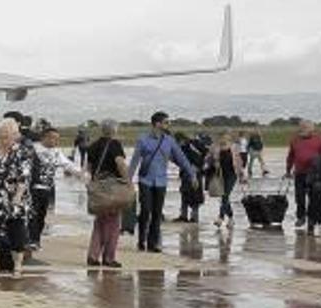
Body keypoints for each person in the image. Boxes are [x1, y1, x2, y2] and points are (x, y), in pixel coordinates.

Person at [127, 111, 196, 253]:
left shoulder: (169, 141)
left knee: (157, 213)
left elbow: (181, 158)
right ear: (157, 124)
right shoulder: (143, 139)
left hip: (161, 181)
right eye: (166, 122)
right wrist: (128, 180)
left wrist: (192, 175)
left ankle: (153, 244)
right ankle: (141, 239)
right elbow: (134, 161)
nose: (168, 124)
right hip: (145, 180)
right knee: (145, 210)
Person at [0, 118, 33, 278]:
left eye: (8, 136)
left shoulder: (23, 151)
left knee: (17, 233)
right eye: (2, 135)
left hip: (15, 198)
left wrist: (18, 196)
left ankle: (17, 267)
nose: (4, 139)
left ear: (15, 135)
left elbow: (24, 177)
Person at [30, 127, 86, 250]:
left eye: (58, 139)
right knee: (32, 215)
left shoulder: (56, 152)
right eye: (54, 138)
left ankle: (36, 240)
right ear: (45, 137)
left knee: (41, 216)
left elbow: (68, 164)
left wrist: (82, 174)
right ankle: (31, 240)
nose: (56, 141)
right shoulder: (33, 149)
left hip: (48, 189)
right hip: (33, 188)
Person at [85, 120, 129, 268]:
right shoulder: (115, 145)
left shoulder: (92, 146)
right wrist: (128, 182)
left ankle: (93, 255)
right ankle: (109, 258)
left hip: (98, 185)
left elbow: (89, 168)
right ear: (114, 130)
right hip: (112, 186)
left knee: (99, 222)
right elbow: (120, 163)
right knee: (114, 223)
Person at [285, 120, 321, 229]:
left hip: (314, 175)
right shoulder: (295, 140)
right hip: (299, 173)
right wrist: (288, 170)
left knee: (313, 198)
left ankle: (312, 219)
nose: (303, 129)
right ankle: (301, 217)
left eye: (306, 127)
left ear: (312, 129)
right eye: (301, 127)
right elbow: (291, 156)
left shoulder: (320, 140)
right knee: (299, 197)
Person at [208, 131, 247, 229]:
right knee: (224, 197)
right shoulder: (215, 148)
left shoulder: (234, 148)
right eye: (223, 138)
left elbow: (239, 163)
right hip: (220, 175)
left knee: (225, 195)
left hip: (232, 175)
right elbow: (208, 159)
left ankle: (220, 218)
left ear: (230, 140)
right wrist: (211, 164)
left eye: (227, 138)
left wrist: (242, 175)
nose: (225, 140)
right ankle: (231, 218)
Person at [174, 132, 208, 223]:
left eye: (177, 142)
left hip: (196, 172)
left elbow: (204, 155)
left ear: (181, 140)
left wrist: (198, 166)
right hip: (186, 172)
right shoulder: (183, 147)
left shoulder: (193, 144)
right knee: (184, 192)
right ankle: (184, 216)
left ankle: (194, 217)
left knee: (195, 194)